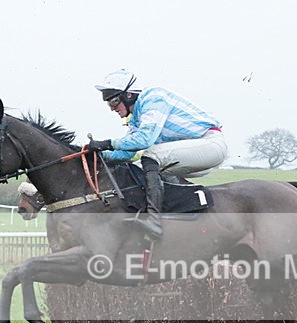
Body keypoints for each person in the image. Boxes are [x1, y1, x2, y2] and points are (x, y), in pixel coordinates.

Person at [87, 69, 228, 239]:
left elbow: (144, 140)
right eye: (109, 104)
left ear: (129, 95)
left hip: (210, 145)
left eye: (114, 102)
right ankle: (176, 215)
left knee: (150, 155)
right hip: (191, 152)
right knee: (137, 168)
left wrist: (107, 144)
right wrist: (98, 156)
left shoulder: (152, 97)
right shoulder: (137, 118)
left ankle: (154, 220)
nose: (112, 109)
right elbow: (127, 153)